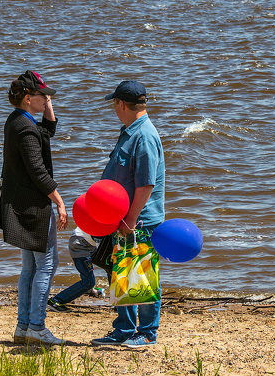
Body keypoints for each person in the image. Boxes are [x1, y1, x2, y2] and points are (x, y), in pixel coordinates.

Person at [0, 70, 69, 346]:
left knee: (30, 267)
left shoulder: (19, 120)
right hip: (32, 207)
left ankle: (24, 327)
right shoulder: (24, 126)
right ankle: (36, 326)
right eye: (42, 96)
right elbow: (38, 172)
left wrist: (48, 102)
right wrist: (60, 202)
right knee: (47, 265)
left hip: (22, 205)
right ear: (27, 98)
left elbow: (46, 132)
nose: (47, 99)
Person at [90, 80, 165, 350]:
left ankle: (147, 333)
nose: (113, 107)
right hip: (122, 218)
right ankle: (123, 329)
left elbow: (146, 184)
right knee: (121, 273)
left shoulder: (144, 135)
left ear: (121, 104)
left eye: (114, 103)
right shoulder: (130, 131)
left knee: (143, 276)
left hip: (140, 220)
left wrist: (131, 219)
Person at [48, 227, 103, 310]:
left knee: (108, 270)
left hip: (86, 242)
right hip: (80, 245)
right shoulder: (108, 228)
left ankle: (88, 290)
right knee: (88, 282)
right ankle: (56, 301)